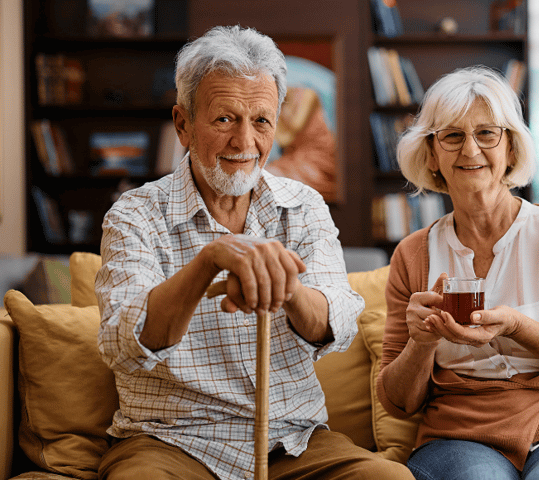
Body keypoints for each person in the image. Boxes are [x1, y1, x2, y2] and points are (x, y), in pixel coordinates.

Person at [95, 25, 414, 480]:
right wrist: (210, 260)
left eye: (262, 121)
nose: (245, 143)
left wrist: (285, 286)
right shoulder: (135, 214)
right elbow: (124, 344)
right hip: (171, 439)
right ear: (183, 124)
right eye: (225, 119)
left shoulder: (303, 207)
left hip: (292, 440)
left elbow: (336, 324)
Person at [376, 66, 539, 480]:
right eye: (452, 135)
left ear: (511, 149)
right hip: (460, 438)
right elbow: (398, 403)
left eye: (486, 133)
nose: (470, 150)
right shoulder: (413, 255)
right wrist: (421, 343)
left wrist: (518, 326)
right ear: (431, 154)